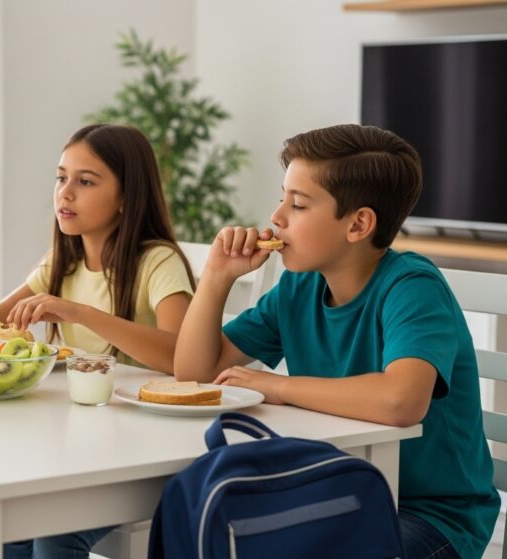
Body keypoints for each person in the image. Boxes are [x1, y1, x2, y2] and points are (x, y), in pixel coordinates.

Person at [174, 124, 499, 559]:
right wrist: (216, 278)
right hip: (337, 494)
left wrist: (277, 386)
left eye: (298, 204)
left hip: (429, 517)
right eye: (282, 197)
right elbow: (194, 374)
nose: (277, 217)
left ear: (359, 224)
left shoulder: (412, 287)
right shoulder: (298, 289)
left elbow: (401, 400)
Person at [0, 123, 195, 557]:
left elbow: (181, 357)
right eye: (61, 177)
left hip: (144, 454)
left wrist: (77, 312)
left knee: (53, 536)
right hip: (80, 446)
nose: (64, 193)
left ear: (126, 196)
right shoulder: (63, 261)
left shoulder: (157, 261)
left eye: (85, 181)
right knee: (9, 523)